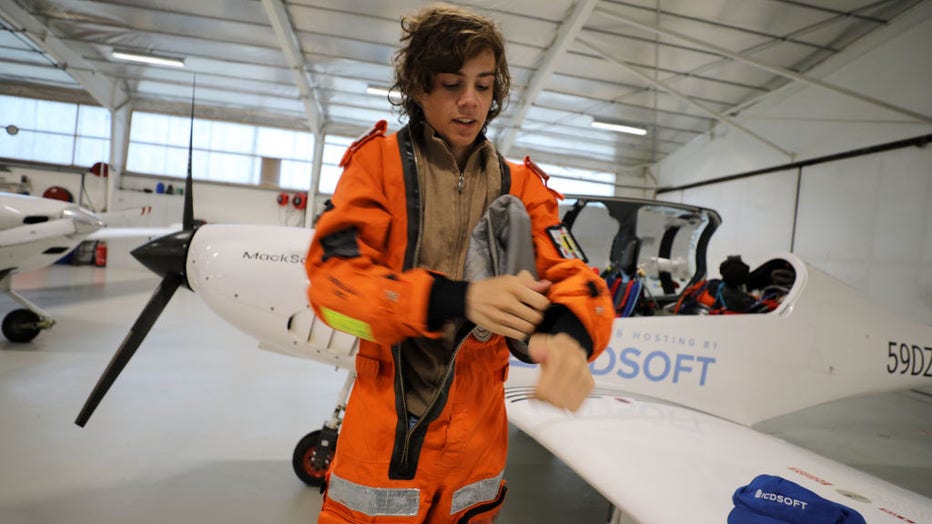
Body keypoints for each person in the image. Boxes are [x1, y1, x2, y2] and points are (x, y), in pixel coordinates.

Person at [304, 4, 613, 522]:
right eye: (451, 84)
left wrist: (568, 338)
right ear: (419, 88)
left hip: (479, 445)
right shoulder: (375, 166)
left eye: (484, 85)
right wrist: (456, 299)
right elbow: (332, 285)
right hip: (383, 434)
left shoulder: (524, 186)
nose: (471, 101)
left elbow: (574, 276)